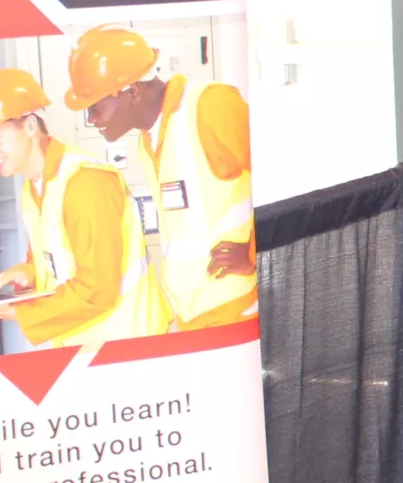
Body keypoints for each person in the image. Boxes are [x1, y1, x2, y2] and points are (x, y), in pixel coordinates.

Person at [63, 25, 258, 330]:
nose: (92, 120)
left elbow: (283, 174)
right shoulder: (147, 142)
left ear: (133, 91)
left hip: (239, 308)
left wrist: (255, 253)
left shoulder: (209, 105)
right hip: (195, 315)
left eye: (95, 108)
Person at [0, 67, 168, 348]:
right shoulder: (34, 188)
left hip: (129, 345)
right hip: (85, 346)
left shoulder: (85, 183)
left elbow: (97, 289)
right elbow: (55, 260)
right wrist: (26, 273)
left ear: (30, 126)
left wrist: (18, 313)